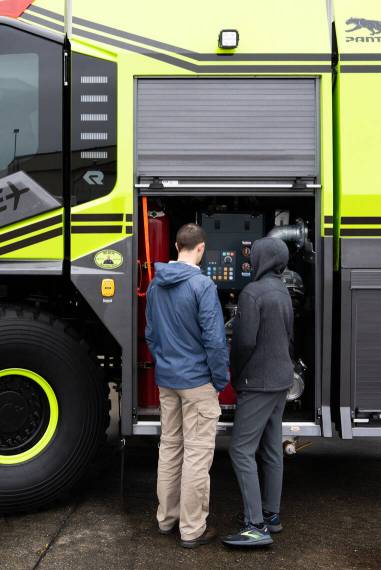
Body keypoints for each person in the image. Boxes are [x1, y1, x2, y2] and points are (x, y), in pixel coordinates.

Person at [144, 223, 229, 549]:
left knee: (170, 448)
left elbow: (151, 334)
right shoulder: (202, 285)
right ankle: (192, 529)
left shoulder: (155, 284)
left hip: (168, 381)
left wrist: (166, 362)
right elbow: (215, 340)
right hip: (197, 383)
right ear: (201, 248)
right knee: (196, 455)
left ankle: (166, 519)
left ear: (176, 246)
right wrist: (219, 380)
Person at [221, 236, 294, 548]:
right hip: (281, 379)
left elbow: (244, 343)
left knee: (240, 450)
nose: (249, 261)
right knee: (271, 448)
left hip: (258, 382)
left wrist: (236, 374)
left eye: (254, 256)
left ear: (263, 259)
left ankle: (255, 526)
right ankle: (271, 515)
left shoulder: (252, 293)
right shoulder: (283, 291)